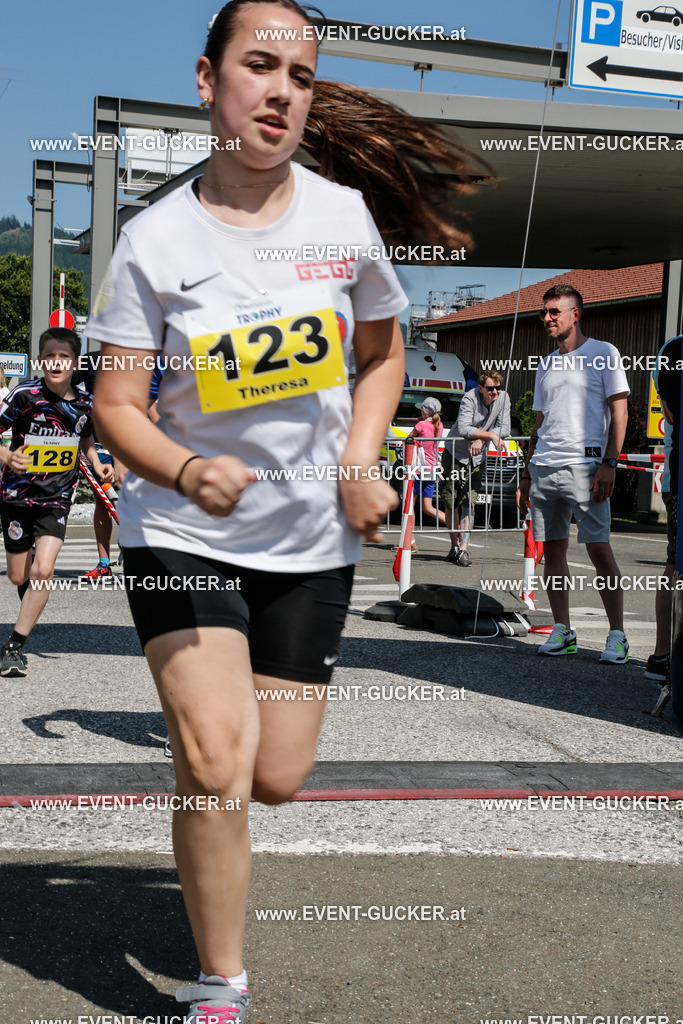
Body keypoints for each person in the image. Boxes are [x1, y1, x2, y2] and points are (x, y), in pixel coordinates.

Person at [88, 3, 481, 1020]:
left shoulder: (339, 219)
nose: (280, 91)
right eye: (258, 67)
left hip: (307, 539)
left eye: (299, 77)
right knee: (218, 756)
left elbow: (384, 354)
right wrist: (181, 470)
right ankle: (222, 984)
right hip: (181, 531)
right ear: (207, 78)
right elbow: (116, 405)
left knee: (273, 777)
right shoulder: (154, 240)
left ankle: (203, 751)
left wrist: (359, 460)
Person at [517, 284, 630, 662]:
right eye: (544, 312)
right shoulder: (546, 363)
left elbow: (620, 412)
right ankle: (563, 630)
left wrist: (609, 463)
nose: (546, 318)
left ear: (575, 313)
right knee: (553, 552)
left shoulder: (603, 354)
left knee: (599, 549)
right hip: (545, 467)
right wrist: (527, 474)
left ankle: (618, 635)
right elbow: (539, 421)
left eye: (554, 312)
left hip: (588, 468)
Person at [0, 327, 114, 676]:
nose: (56, 363)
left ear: (75, 363)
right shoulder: (23, 395)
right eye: (49, 355)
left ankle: (14, 647)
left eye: (63, 357)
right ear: (40, 359)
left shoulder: (83, 403)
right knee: (20, 577)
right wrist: (6, 456)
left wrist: (97, 463)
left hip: (56, 498)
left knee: (43, 570)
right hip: (17, 497)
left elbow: (86, 437)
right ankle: (29, 592)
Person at [441, 371, 510, 566]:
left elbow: (504, 428)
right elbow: (463, 428)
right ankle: (454, 545)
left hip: (477, 457)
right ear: (480, 388)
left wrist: (483, 437)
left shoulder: (503, 398)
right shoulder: (469, 398)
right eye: (490, 388)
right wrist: (489, 435)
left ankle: (464, 549)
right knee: (450, 501)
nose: (495, 392)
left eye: (498, 387)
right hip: (455, 453)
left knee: (469, 501)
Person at [645, 339, 676, 682]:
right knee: (676, 564)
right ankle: (663, 655)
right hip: (679, 477)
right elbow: (670, 411)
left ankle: (663, 656)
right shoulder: (675, 351)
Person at [408, 395, 444, 532]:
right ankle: (455, 526)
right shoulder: (439, 425)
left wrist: (419, 423)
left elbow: (408, 440)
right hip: (432, 469)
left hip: (418, 469)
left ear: (425, 412)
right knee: (428, 507)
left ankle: (410, 541)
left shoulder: (420, 425)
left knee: (409, 505)